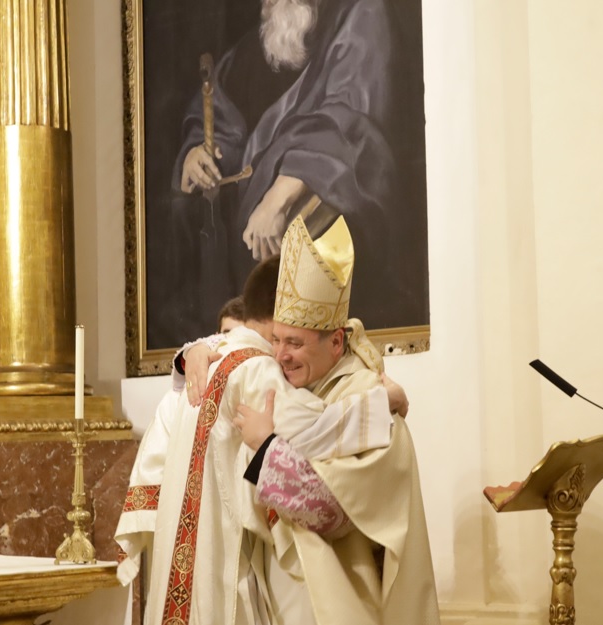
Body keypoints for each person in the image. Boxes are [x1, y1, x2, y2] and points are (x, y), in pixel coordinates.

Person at [114, 251, 406, 625]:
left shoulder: (190, 378)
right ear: (279, 318)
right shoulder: (257, 370)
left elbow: (149, 476)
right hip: (222, 564)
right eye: (283, 337)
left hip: (177, 566)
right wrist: (385, 404)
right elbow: (316, 427)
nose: (283, 353)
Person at [185, 215, 441, 624]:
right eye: (276, 340)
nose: (280, 355)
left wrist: (266, 447)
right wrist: (197, 350)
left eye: (295, 343)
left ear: (336, 341)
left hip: (341, 600)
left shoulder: (367, 397)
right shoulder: (297, 388)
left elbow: (332, 512)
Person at [166, 0, 428, 342]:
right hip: (245, 264)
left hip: (331, 255)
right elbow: (223, 117)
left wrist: (277, 197)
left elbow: (349, 121)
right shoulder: (261, 42)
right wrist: (197, 153)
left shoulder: (359, 14)